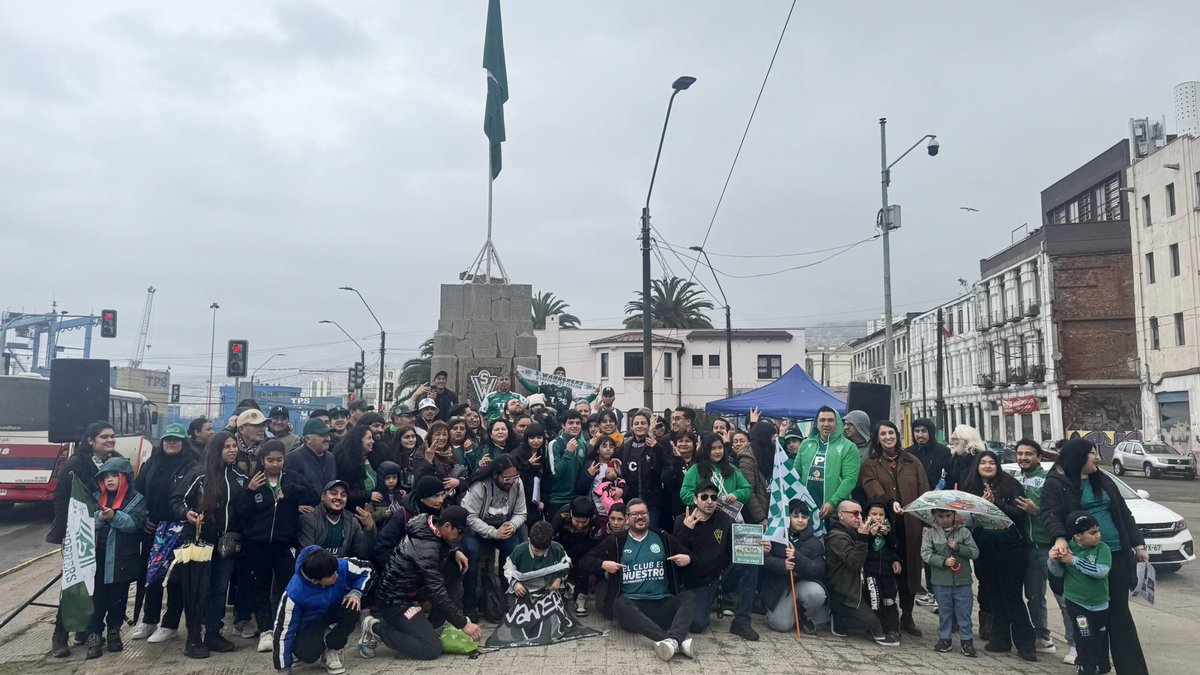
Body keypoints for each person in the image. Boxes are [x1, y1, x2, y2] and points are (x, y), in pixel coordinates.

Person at [1041, 439, 1148, 674]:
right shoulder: (1057, 483)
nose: (1097, 457)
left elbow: (1124, 513)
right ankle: (1095, 665)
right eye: (1092, 453)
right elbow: (1050, 514)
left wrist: (1138, 544)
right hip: (1083, 558)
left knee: (1119, 614)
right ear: (1079, 458)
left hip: (1116, 555)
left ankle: (1132, 669)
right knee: (1091, 619)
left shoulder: (1103, 478)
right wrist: (1060, 538)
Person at [581, 498, 696, 662]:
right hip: (634, 610)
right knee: (620, 603)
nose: (639, 517)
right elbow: (584, 561)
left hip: (662, 603)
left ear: (649, 516)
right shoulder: (616, 541)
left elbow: (690, 557)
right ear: (627, 519)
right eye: (634, 514)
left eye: (643, 513)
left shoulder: (662, 537)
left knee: (688, 597)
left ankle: (672, 641)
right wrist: (603, 564)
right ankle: (676, 640)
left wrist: (689, 559)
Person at [364, 506, 482, 661]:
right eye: (460, 532)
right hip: (395, 602)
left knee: (456, 567)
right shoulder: (426, 548)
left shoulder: (431, 526)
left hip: (414, 590)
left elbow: (440, 548)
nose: (461, 537)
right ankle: (376, 628)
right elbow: (437, 592)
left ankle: (435, 625)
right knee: (431, 648)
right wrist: (463, 624)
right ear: (447, 526)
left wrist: (454, 551)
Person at [172, 431, 253, 656]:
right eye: (226, 446)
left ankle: (214, 633)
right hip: (200, 541)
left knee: (219, 589)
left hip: (227, 544)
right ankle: (194, 636)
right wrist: (187, 513)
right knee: (198, 589)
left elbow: (244, 508)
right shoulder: (199, 474)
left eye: (234, 446)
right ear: (216, 450)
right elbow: (177, 500)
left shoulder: (241, 477)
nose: (232, 450)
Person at [961, 449, 1037, 662]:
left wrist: (996, 503)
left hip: (1011, 548)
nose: (987, 466)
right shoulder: (970, 487)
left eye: (991, 462)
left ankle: (1025, 643)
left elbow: (1019, 516)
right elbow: (968, 520)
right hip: (984, 549)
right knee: (993, 594)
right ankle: (1000, 638)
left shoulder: (1011, 485)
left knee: (1011, 595)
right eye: (983, 462)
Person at [243, 440, 319, 652]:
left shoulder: (292, 478)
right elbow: (242, 511)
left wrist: (290, 492)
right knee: (260, 586)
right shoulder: (255, 480)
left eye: (279, 460)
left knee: (288, 586)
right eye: (270, 460)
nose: (275, 464)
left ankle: (284, 626)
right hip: (258, 544)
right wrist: (249, 491)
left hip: (285, 543)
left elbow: (313, 495)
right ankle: (265, 630)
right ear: (262, 460)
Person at [858, 419, 930, 637]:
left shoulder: (912, 462)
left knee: (909, 570)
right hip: (884, 525)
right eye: (883, 434)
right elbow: (872, 488)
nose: (888, 437)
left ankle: (907, 614)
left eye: (891, 433)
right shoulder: (870, 463)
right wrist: (889, 503)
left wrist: (925, 521)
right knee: (884, 569)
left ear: (898, 435)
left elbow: (924, 491)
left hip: (910, 526)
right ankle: (885, 614)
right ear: (877, 438)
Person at [129, 423, 199, 644]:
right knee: (152, 577)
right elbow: (138, 493)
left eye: (176, 439)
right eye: (168, 439)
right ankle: (149, 620)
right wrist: (144, 518)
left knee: (176, 579)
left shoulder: (193, 465)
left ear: (184, 442)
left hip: (181, 529)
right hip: (154, 530)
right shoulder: (152, 463)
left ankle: (169, 624)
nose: (171, 443)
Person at [673, 480, 760, 641]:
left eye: (714, 498)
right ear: (695, 499)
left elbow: (739, 549)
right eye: (704, 497)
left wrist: (759, 546)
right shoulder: (681, 520)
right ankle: (704, 603)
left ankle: (742, 622)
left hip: (719, 575)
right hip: (698, 581)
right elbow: (676, 556)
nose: (709, 501)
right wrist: (686, 531)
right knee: (697, 625)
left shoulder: (726, 520)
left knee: (751, 558)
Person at [272, 546, 373, 675]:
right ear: (315, 581)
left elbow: (368, 570)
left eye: (336, 572)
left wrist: (356, 592)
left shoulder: (338, 566)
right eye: (331, 576)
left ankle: (333, 650)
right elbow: (283, 629)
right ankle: (299, 649)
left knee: (352, 607)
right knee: (308, 655)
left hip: (337, 606)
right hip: (311, 621)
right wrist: (283, 668)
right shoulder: (294, 593)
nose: (336, 576)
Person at [84, 457, 149, 658]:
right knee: (96, 598)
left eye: (114, 476)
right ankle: (94, 634)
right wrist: (99, 518)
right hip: (97, 559)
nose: (110, 480)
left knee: (118, 598)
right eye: (106, 477)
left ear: (125, 478)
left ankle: (114, 631)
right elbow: (84, 522)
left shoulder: (137, 499)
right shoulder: (94, 498)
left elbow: (134, 524)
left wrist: (115, 517)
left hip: (121, 560)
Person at [460, 455, 528, 620]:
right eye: (506, 478)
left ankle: (508, 598)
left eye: (514, 477)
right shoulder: (480, 486)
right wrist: (492, 532)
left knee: (514, 550)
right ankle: (470, 605)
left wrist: (511, 525)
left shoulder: (517, 484)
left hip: (503, 525)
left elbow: (521, 512)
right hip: (476, 529)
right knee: (472, 552)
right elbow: (469, 517)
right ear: (495, 475)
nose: (511, 481)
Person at [825, 500, 899, 646]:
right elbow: (854, 562)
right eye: (854, 514)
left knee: (882, 605)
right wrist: (865, 537)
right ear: (841, 515)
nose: (859, 517)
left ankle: (843, 619)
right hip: (845, 593)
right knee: (871, 623)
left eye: (860, 514)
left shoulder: (855, 531)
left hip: (860, 586)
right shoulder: (836, 536)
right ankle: (837, 613)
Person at [1048, 512, 1112, 675]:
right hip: (1077, 603)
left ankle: (1101, 666)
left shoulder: (1102, 549)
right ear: (1077, 536)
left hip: (1100, 604)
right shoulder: (1067, 548)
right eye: (1092, 533)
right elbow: (1057, 573)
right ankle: (1084, 667)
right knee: (1084, 636)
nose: (1098, 535)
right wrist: (1053, 560)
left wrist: (1074, 561)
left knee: (1100, 637)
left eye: (1098, 530)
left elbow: (1101, 571)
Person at [1012, 438, 1057, 655]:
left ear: (1039, 457)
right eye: (1020, 453)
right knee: (1034, 596)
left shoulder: (1049, 479)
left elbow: (1056, 512)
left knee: (1063, 597)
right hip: (1028, 547)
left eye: (1028, 453)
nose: (1023, 457)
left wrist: (1036, 511)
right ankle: (1043, 637)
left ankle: (1076, 643)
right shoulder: (1014, 479)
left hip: (1050, 546)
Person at [762, 499, 828, 634]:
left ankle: (804, 615)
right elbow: (765, 561)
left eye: (804, 517)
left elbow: (819, 569)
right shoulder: (776, 536)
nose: (800, 520)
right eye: (795, 516)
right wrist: (782, 565)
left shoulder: (815, 542)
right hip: (781, 587)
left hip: (802, 584)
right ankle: (785, 612)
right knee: (782, 626)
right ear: (788, 517)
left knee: (817, 593)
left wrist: (797, 557)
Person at [921, 507, 980, 657]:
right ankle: (945, 639)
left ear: (954, 515)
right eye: (940, 516)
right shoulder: (930, 534)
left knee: (964, 612)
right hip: (941, 582)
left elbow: (975, 552)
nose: (945, 519)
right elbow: (926, 554)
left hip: (962, 581)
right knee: (944, 612)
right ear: (934, 516)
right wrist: (943, 561)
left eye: (948, 515)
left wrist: (959, 547)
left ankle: (967, 641)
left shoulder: (964, 532)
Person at [794, 406, 862, 529]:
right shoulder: (805, 444)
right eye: (822, 420)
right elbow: (795, 474)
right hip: (806, 512)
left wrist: (832, 503)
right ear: (817, 423)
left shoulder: (849, 447)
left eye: (830, 420)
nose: (826, 424)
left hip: (835, 514)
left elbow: (850, 480)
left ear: (838, 423)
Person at [371, 475, 448, 570]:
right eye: (436, 496)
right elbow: (382, 548)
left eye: (442, 495)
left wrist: (455, 551)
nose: (441, 500)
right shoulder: (403, 516)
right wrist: (397, 572)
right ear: (422, 498)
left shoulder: (442, 514)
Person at [551, 497, 604, 616]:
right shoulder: (561, 516)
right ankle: (560, 591)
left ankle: (580, 595)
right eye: (577, 521)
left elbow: (595, 546)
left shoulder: (596, 520)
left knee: (584, 562)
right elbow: (551, 540)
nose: (580, 525)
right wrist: (564, 557)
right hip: (563, 544)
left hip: (585, 545)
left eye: (584, 522)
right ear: (571, 515)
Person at [299, 480, 377, 560]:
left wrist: (370, 529)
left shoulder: (352, 522)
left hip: (341, 569)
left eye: (343, 495)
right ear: (323, 497)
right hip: (315, 569)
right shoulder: (308, 519)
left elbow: (363, 554)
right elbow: (307, 557)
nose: (339, 497)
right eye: (333, 493)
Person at [861, 502, 904, 642]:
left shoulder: (889, 528)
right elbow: (861, 548)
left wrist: (888, 535)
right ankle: (876, 627)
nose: (878, 517)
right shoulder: (863, 529)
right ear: (867, 515)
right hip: (871, 572)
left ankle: (892, 629)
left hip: (887, 572)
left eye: (881, 514)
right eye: (874, 514)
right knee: (875, 599)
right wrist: (870, 535)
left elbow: (896, 547)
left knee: (889, 601)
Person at [678, 433, 751, 512]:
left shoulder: (732, 469)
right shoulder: (695, 469)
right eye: (713, 448)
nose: (717, 452)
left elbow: (746, 490)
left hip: (727, 517)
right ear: (706, 450)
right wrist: (704, 502)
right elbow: (685, 493)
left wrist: (736, 495)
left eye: (720, 447)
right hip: (703, 518)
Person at [619, 410, 667, 527]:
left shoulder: (657, 445)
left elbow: (664, 468)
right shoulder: (625, 447)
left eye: (643, 423)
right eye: (636, 423)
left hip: (652, 502)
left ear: (648, 426)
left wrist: (657, 449)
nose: (639, 426)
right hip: (631, 502)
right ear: (631, 427)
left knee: (650, 533)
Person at [504, 520, 569, 598]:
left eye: (544, 551)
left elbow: (566, 564)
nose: (540, 554)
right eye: (537, 551)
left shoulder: (557, 548)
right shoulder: (519, 550)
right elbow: (508, 568)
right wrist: (515, 583)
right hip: (525, 592)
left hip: (550, 592)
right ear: (529, 540)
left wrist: (559, 579)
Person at [547, 410, 587, 518]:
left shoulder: (582, 445)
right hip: (558, 499)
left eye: (578, 423)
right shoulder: (555, 444)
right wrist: (568, 452)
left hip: (576, 499)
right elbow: (555, 474)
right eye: (570, 423)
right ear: (563, 425)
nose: (575, 426)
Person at [333, 425, 382, 512]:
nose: (373, 441)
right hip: (354, 510)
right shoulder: (346, 462)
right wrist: (368, 495)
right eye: (369, 438)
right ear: (359, 440)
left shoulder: (370, 458)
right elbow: (345, 491)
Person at [511, 421, 549, 523]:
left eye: (539, 437)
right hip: (520, 502)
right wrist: (528, 464)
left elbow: (544, 481)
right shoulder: (517, 454)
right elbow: (512, 477)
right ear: (526, 438)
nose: (536, 441)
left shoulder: (542, 454)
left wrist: (543, 501)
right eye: (532, 438)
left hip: (535, 503)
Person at [288, 418, 338, 496]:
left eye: (328, 434)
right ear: (308, 439)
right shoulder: (293, 459)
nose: (328, 438)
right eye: (322, 435)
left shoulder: (331, 458)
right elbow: (289, 491)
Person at [733, 424, 769, 525]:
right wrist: (761, 518)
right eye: (772, 436)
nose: (775, 439)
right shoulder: (747, 459)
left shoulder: (770, 453)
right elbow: (749, 492)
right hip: (757, 518)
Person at [661, 431, 698, 523]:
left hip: (698, 506)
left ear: (694, 444)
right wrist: (678, 460)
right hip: (676, 508)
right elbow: (667, 480)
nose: (683, 444)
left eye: (687, 441)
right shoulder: (670, 462)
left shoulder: (700, 463)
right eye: (680, 441)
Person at [232, 408, 268, 477]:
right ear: (242, 429)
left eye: (263, 425)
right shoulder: (230, 448)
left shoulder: (269, 447)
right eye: (256, 426)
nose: (262, 429)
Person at [947, 424, 984, 489]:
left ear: (966, 441)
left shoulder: (980, 459)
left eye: (954, 439)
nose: (950, 442)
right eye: (951, 439)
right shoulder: (953, 460)